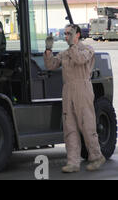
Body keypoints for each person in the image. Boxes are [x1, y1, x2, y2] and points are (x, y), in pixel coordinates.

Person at [44, 24, 106, 173]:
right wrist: (48, 50)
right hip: (68, 91)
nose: (66, 36)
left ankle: (97, 156)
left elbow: (79, 59)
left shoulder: (87, 50)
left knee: (87, 125)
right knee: (69, 127)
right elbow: (51, 65)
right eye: (65, 34)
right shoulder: (65, 53)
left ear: (77, 34)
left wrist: (72, 46)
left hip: (82, 89)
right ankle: (73, 162)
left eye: (69, 33)